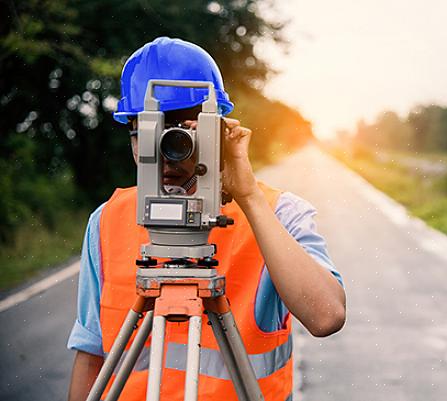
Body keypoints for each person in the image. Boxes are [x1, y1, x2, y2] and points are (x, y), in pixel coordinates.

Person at [66, 37, 346, 401]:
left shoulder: (276, 213)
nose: (169, 151)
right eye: (148, 131)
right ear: (131, 131)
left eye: (182, 131)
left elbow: (326, 317)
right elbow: (91, 358)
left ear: (217, 129)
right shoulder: (106, 221)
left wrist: (247, 197)